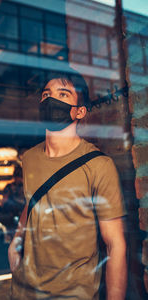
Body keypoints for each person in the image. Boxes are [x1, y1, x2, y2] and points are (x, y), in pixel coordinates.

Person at [8, 68, 127, 300]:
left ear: (80, 111)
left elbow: (116, 245)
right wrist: (16, 240)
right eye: (46, 94)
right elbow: (32, 201)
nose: (51, 100)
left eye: (62, 95)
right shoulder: (30, 158)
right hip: (24, 289)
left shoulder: (99, 165)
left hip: (72, 293)